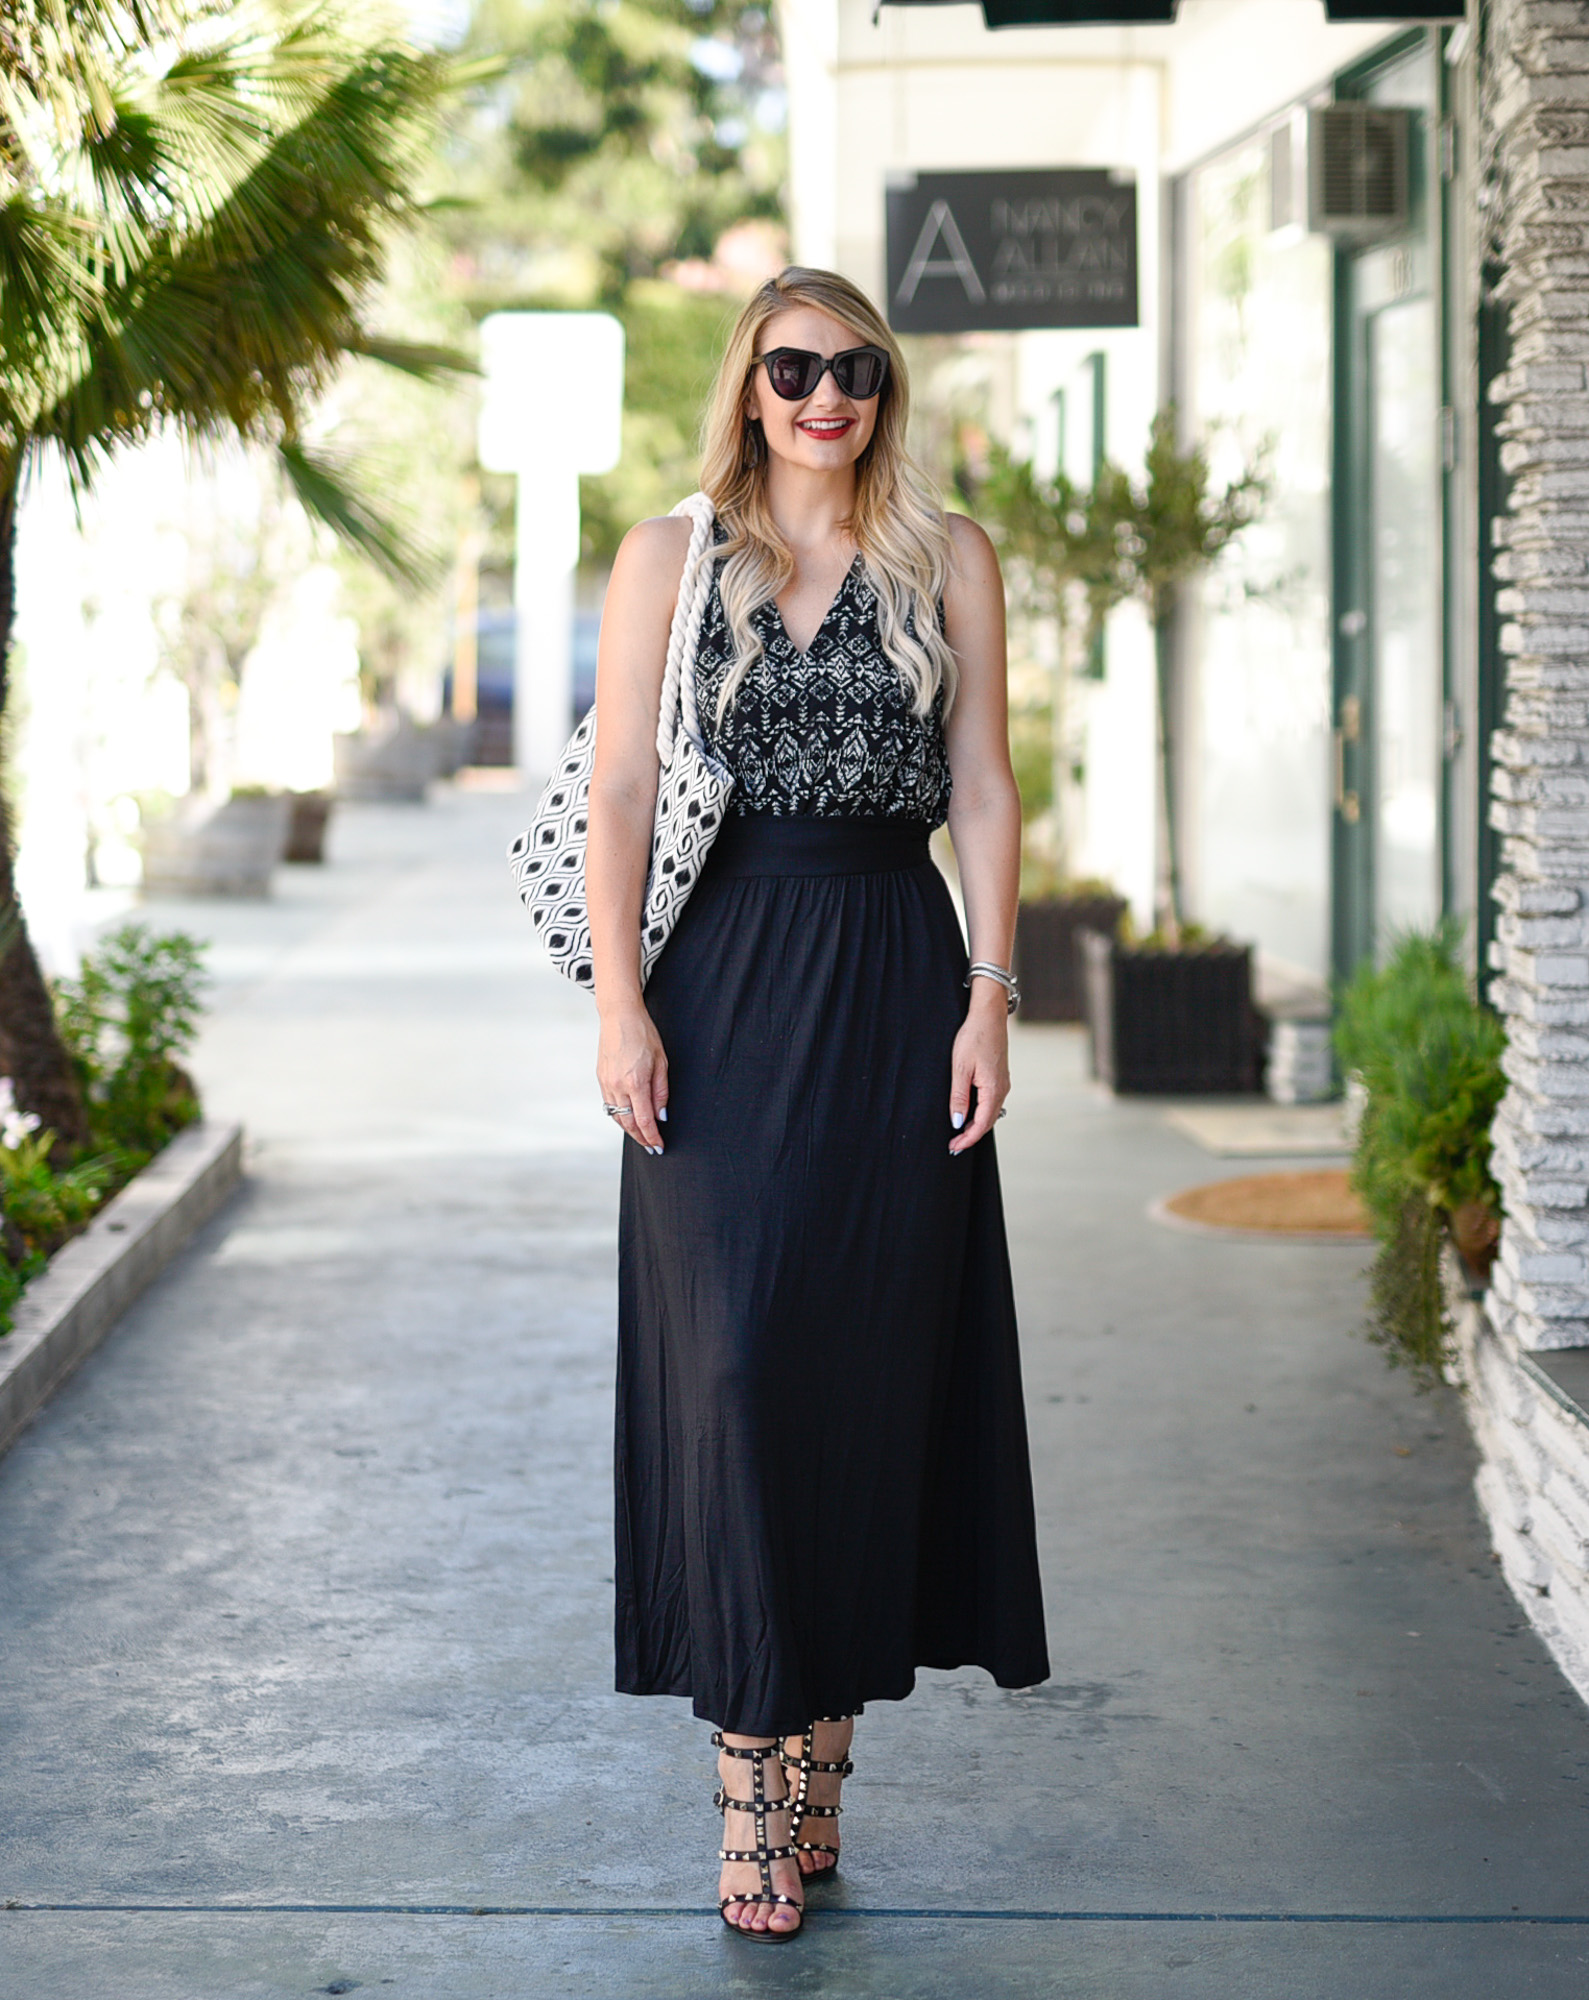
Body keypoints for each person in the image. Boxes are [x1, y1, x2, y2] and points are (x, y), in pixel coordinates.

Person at [584, 266, 1049, 1942]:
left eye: (853, 367)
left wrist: (992, 996)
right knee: (738, 1374)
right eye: (793, 367)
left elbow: (984, 785)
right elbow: (624, 779)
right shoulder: (669, 557)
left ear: (882, 387)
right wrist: (620, 1003)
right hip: (714, 994)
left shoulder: (949, 558)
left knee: (863, 1379)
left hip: (895, 983)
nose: (824, 394)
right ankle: (745, 1805)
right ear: (748, 384)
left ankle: (821, 1781)